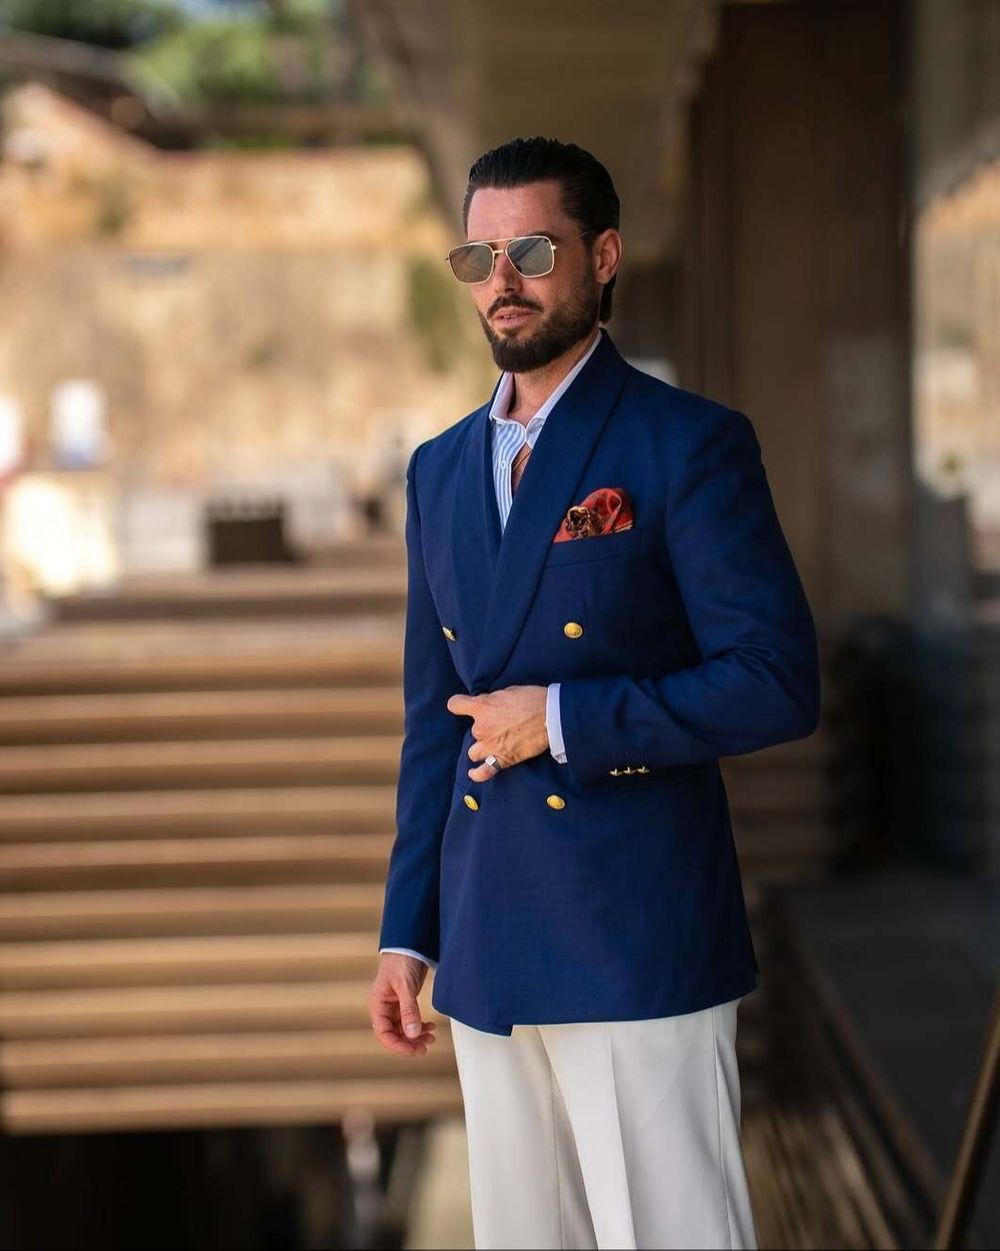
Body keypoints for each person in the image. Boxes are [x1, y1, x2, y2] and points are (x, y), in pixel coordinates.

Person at [367, 136, 820, 1250]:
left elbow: (774, 683)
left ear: (602, 255)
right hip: (485, 935)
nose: (502, 281)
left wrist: (564, 719)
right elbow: (437, 717)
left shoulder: (686, 444)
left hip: (636, 933)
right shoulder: (437, 466)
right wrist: (406, 932)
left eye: (530, 249)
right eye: (478, 257)